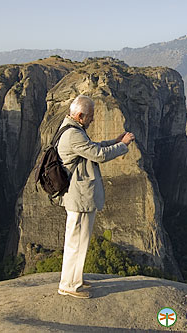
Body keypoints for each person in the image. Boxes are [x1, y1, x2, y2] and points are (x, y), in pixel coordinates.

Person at [56, 95, 135, 298]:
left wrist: (114, 141)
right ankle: (69, 285)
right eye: (90, 116)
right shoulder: (73, 134)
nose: (92, 120)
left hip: (79, 196)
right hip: (79, 197)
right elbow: (98, 155)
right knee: (76, 241)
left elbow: (93, 146)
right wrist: (123, 145)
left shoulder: (73, 128)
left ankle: (75, 279)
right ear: (80, 115)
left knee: (79, 240)